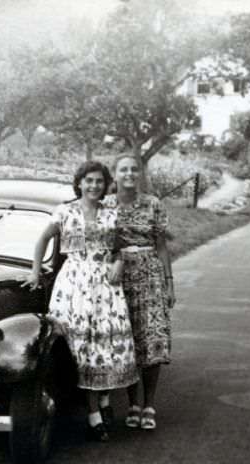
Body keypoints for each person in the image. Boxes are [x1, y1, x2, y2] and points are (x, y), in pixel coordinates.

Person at [23, 161, 138, 442]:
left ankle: (103, 399)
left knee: (105, 343)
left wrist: (120, 263)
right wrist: (35, 272)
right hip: (74, 285)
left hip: (105, 287)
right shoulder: (65, 211)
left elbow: (121, 248)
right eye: (89, 181)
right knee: (80, 345)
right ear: (80, 183)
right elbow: (42, 241)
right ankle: (93, 414)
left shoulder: (112, 213)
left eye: (99, 181)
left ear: (105, 184)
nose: (94, 186)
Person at [103, 153, 175, 431]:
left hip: (150, 276)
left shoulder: (153, 204)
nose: (130, 174)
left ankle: (150, 404)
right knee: (127, 339)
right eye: (124, 170)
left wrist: (169, 282)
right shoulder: (105, 205)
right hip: (118, 276)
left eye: (134, 169)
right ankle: (132, 403)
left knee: (152, 338)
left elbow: (161, 246)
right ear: (115, 174)